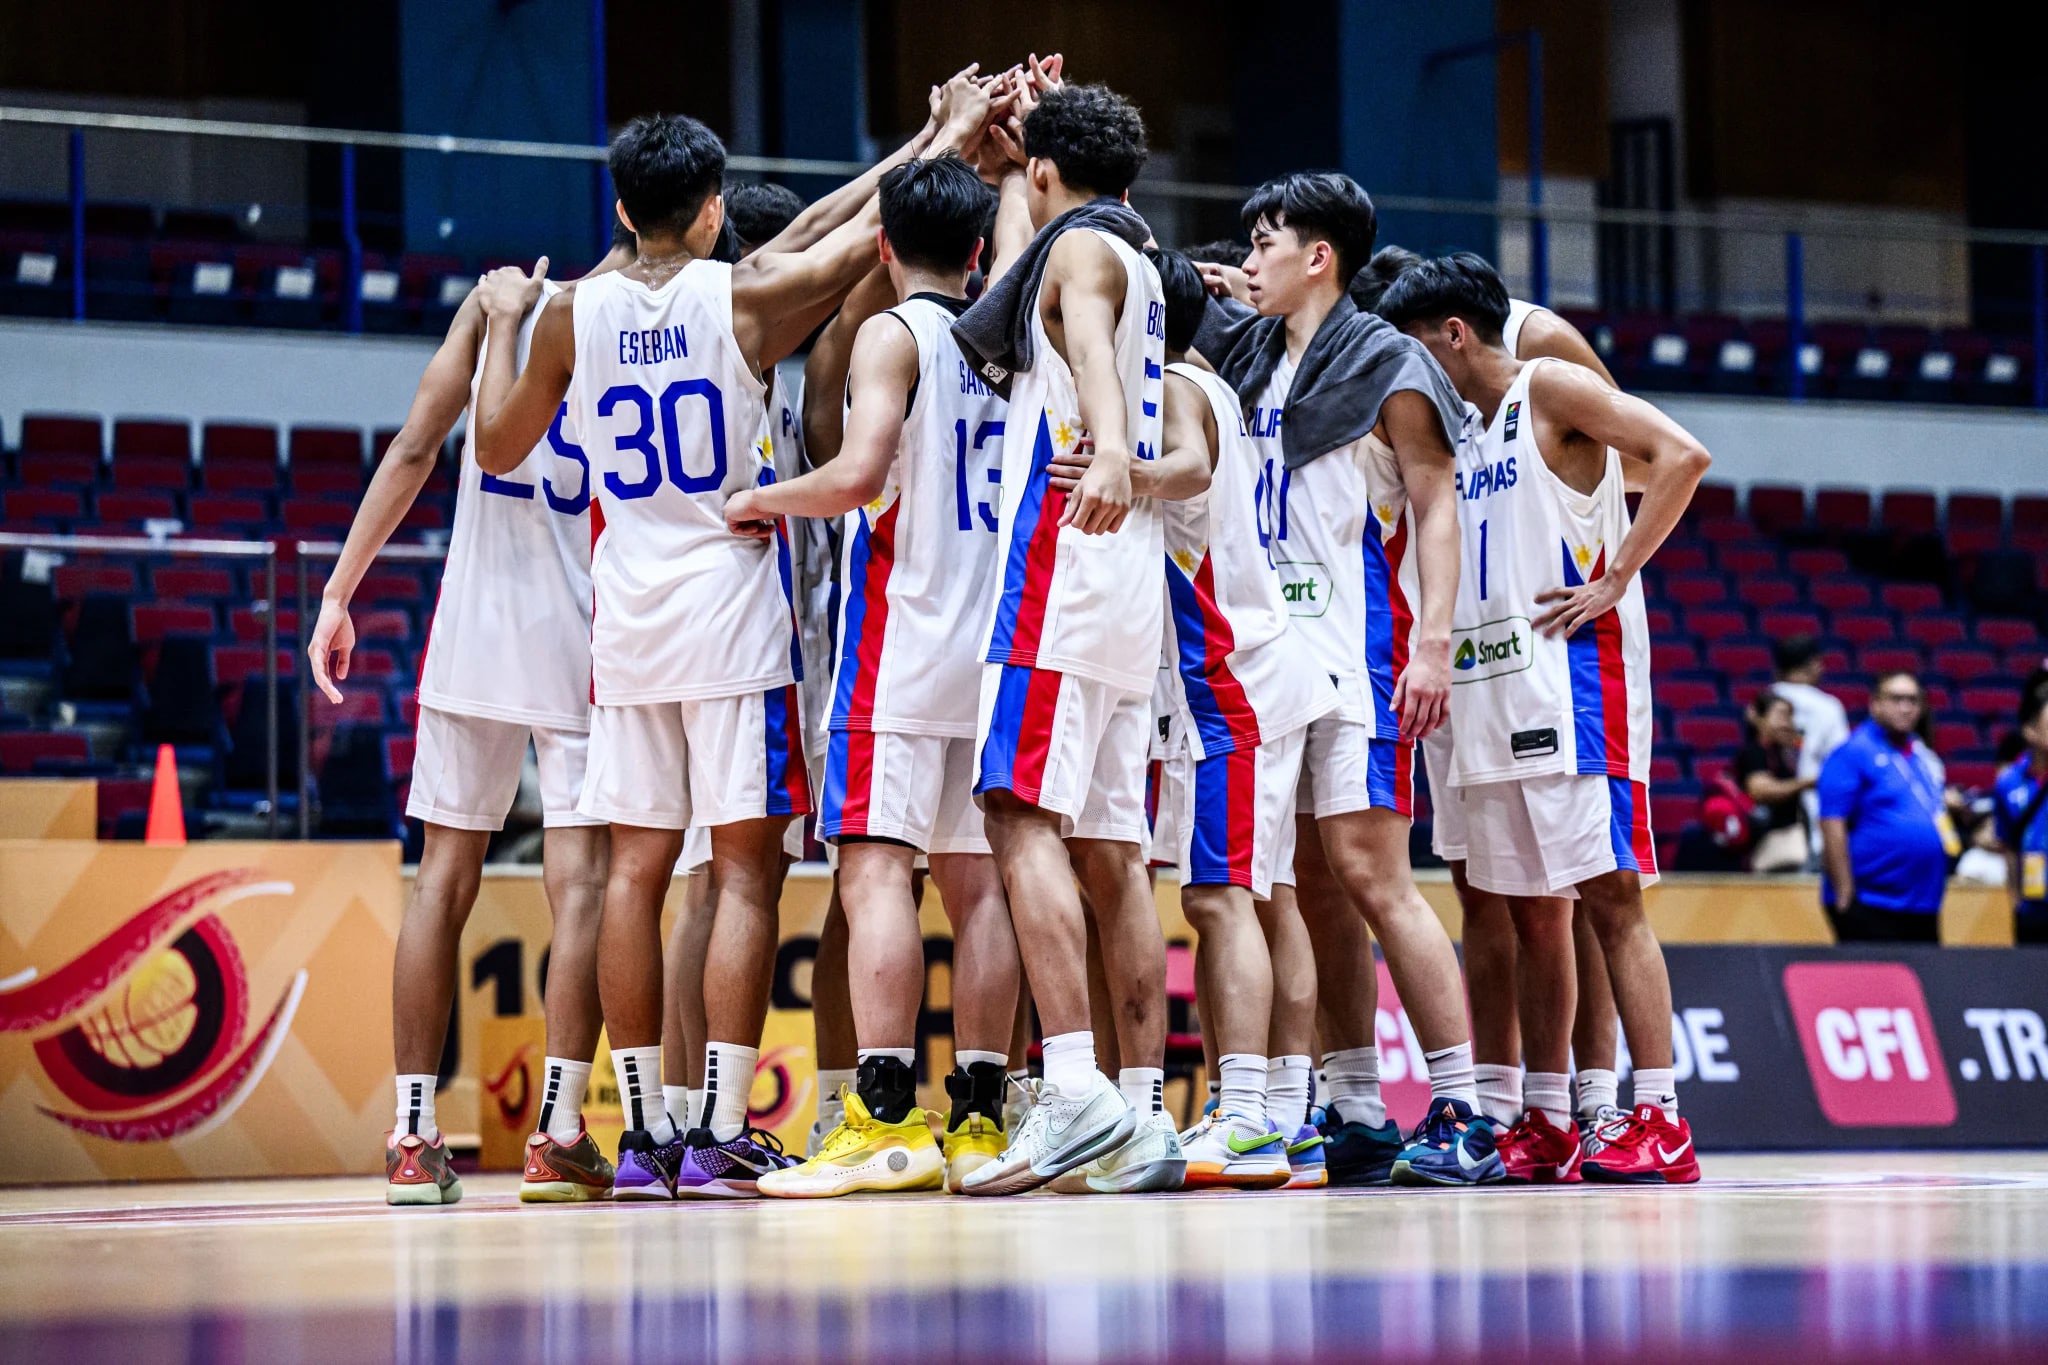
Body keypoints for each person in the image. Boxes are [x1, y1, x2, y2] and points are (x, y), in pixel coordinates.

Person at [471, 85, 997, 1200]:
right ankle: (715, 1122)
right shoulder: (743, 300)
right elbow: (862, 238)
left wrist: (508, 324)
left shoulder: (573, 310)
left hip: (629, 623)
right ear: (713, 209)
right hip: (729, 611)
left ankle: (644, 1134)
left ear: (621, 207)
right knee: (746, 876)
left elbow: (500, 443)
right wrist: (944, 141)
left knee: (634, 873)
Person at [723, 150, 1026, 1198]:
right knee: (979, 886)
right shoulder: (1013, 342)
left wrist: (762, 500)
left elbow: (856, 475)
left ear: (885, 248)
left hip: (899, 644)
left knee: (872, 873)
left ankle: (886, 1117)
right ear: (980, 250)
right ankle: (981, 1119)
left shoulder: (892, 334)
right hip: (989, 651)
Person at [311, 228, 635, 1207]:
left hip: (474, 632)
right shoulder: (658, 322)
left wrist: (339, 590)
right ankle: (559, 1130)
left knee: (441, 877)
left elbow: (415, 447)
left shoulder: (505, 303)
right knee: (578, 886)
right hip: (585, 633)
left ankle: (412, 1139)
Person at [1381, 251, 1709, 1185]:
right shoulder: (1464, 429)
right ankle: (1549, 1116)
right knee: (1534, 915)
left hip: (1578, 689)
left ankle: (1661, 1115)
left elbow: (1681, 454)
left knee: (1610, 897)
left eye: (1415, 351)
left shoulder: (1551, 386)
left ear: (1453, 334)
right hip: (1496, 694)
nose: (1409, 374)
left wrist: (1615, 575)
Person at [1192, 174, 1486, 1188]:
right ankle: (1354, 1103)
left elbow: (1435, 505)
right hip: (1262, 647)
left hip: (1353, 646)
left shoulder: (1387, 361)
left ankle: (1464, 1108)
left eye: (1266, 241)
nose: (1251, 258)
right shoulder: (1246, 350)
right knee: (1304, 885)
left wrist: (1433, 644)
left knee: (1372, 877)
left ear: (1318, 256)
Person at [948, 73, 1182, 1197]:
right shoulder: (1130, 249)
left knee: (1012, 813)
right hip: (1125, 589)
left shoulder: (1083, 259)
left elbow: (1077, 329)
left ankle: (1077, 1085)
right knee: (1110, 850)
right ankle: (1140, 1114)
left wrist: (1103, 445)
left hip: (1059, 559)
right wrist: (1007, 167)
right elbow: (1042, 293)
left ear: (1049, 176)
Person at [1362, 241, 1626, 1148]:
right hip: (1473, 671)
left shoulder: (1540, 353)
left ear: (1447, 329)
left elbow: (1634, 460)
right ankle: (1509, 1101)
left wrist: (1611, 574)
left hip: (1556, 660)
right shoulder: (1452, 411)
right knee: (1489, 892)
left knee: (1575, 895)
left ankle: (1596, 1097)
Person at [1133, 247, 1339, 1190]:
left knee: (1220, 900)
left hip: (1234, 681)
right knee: (1267, 898)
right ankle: (1278, 1113)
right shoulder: (1211, 376)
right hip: (1252, 669)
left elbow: (1180, 467)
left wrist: (1116, 469)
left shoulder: (1175, 383)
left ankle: (1249, 1115)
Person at [1818, 671, 1956, 943]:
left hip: (1921, 905)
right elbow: (1832, 822)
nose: (1905, 707)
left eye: (1913, 701)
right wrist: (1845, 895)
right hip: (1872, 903)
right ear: (1875, 704)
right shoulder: (1853, 752)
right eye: (1896, 699)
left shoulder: (1920, 756)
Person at [1773, 635, 1851, 857]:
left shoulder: (1764, 701)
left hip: (1770, 816)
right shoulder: (1828, 707)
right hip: (1816, 813)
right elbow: (1841, 767)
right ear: (1814, 664)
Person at [1993, 682, 2048, 944]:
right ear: (2030, 731)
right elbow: (2009, 844)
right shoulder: (2008, 782)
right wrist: (2015, 899)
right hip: (2033, 909)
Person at [1736, 690, 1814, 873]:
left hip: (1787, 840)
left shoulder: (1783, 752)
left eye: (1790, 717)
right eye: (1781, 716)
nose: (1788, 723)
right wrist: (1807, 783)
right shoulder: (1754, 752)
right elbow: (1760, 790)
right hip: (1765, 842)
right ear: (1760, 718)